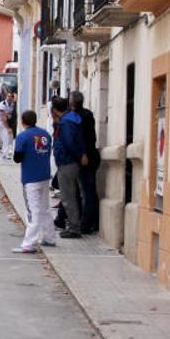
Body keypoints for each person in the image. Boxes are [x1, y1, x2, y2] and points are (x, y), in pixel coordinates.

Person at [12, 110, 56, 253]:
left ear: (23, 122)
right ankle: (50, 237)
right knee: (45, 208)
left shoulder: (22, 136)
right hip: (44, 175)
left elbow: (17, 158)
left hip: (30, 177)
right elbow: (49, 152)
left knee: (33, 211)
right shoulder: (46, 135)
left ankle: (29, 243)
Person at [52, 96, 85, 238]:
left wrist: (77, 155)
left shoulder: (65, 123)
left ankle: (73, 227)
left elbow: (69, 142)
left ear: (54, 110)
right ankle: (74, 224)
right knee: (72, 195)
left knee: (68, 196)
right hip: (72, 162)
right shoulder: (72, 119)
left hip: (67, 162)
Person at [72, 91, 101, 234]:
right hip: (91, 156)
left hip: (84, 158)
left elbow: (81, 138)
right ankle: (92, 221)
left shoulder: (76, 117)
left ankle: (86, 223)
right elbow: (92, 137)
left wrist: (82, 154)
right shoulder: (88, 114)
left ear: (72, 102)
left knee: (85, 192)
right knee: (89, 191)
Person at [0, 90, 15, 159]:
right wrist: (8, 128)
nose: (9, 98)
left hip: (3, 123)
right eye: (8, 96)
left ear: (13, 98)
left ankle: (5, 154)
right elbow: (3, 118)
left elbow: (8, 115)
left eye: (10, 97)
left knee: (6, 138)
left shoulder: (12, 105)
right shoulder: (2, 104)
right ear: (6, 97)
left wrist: (7, 115)